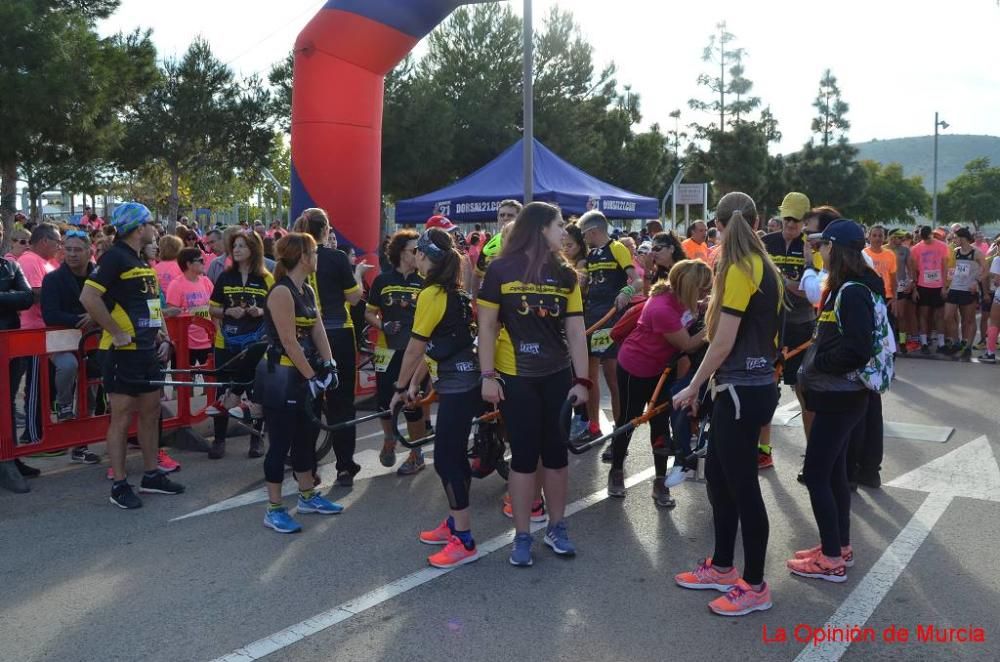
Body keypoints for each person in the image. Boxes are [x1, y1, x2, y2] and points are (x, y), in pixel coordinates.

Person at [672, 192, 781, 616]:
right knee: (718, 478)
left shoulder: (740, 265)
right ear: (757, 222)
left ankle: (754, 584)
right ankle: (721, 566)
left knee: (742, 487)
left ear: (715, 225)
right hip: (745, 387)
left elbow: (723, 341)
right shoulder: (759, 262)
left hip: (741, 389)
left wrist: (693, 385)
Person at [477, 202, 590, 567]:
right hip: (516, 377)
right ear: (541, 227)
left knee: (556, 458)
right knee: (524, 459)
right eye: (559, 225)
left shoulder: (565, 273)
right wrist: (488, 377)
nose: (565, 232)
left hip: (556, 375)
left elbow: (575, 331)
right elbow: (487, 328)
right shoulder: (499, 269)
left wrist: (583, 380)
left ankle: (558, 527)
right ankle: (522, 536)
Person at [791, 219, 880, 582]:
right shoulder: (845, 286)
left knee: (816, 475)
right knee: (835, 474)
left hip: (840, 395)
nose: (817, 251)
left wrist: (820, 363)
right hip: (839, 395)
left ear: (835, 249)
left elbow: (858, 347)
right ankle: (838, 545)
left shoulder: (853, 291)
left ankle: (830, 559)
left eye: (822, 246)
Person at [80, 203, 185, 509]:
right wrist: (115, 330)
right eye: (150, 223)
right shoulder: (114, 257)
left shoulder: (140, 259)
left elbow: (151, 303)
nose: (155, 228)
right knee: (122, 417)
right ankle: (120, 484)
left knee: (151, 413)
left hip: (146, 350)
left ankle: (152, 475)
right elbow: (88, 297)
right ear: (139, 228)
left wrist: (163, 333)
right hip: (121, 351)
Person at [389, 228, 481, 568]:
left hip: (458, 384)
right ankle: (456, 524)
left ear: (424, 257)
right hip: (460, 379)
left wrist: (399, 389)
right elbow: (433, 347)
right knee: (453, 456)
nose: (413, 255)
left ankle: (465, 539)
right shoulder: (452, 292)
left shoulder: (431, 294)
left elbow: (415, 346)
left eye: (417, 251)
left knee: (446, 459)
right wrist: (414, 382)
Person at [254, 232, 343, 533]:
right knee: (280, 444)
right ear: (304, 257)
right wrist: (312, 377)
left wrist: (328, 364)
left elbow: (318, 331)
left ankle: (307, 496)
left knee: (307, 438)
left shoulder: (307, 289)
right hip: (282, 377)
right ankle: (274, 508)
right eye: (315, 252)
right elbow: (290, 342)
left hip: (306, 374)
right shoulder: (281, 292)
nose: (318, 256)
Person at [608, 259, 709, 504]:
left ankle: (660, 481)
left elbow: (690, 313)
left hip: (662, 369)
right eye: (703, 288)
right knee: (629, 420)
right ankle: (616, 470)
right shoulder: (662, 307)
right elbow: (686, 344)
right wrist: (719, 326)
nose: (707, 292)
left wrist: (705, 306)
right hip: (636, 367)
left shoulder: (681, 298)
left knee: (661, 424)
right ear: (688, 285)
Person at [298, 208, 369, 485]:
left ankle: (308, 467)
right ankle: (344, 466)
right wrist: (359, 274)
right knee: (341, 402)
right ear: (326, 229)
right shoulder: (337, 257)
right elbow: (354, 298)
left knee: (309, 402)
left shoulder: (296, 256)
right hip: (338, 333)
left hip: (305, 335)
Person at [758, 191, 814, 470]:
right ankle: (763, 450)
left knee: (804, 390)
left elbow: (815, 290)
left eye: (797, 219)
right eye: (787, 217)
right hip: (769, 326)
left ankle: (813, 453)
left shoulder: (812, 247)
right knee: (766, 388)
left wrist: (793, 280)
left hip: (801, 326)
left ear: (805, 221)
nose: (790, 223)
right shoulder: (765, 242)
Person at [364, 230, 427, 471]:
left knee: (413, 401)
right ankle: (389, 439)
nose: (419, 254)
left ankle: (416, 452)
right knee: (383, 403)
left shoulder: (424, 281)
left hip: (416, 351)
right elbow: (369, 313)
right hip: (385, 350)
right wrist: (383, 324)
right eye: (415, 250)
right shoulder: (382, 280)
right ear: (401, 252)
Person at [578, 210, 641, 449]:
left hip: (611, 318)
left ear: (594, 231)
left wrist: (627, 292)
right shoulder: (591, 254)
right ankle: (593, 427)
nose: (585, 239)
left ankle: (619, 431)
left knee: (612, 377)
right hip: (592, 317)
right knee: (589, 378)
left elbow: (636, 280)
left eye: (585, 235)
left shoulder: (616, 248)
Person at [207, 230, 272, 459]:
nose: (236, 250)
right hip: (226, 342)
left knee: (256, 391)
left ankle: (257, 438)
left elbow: (275, 308)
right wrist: (227, 311)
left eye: (242, 246)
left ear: (254, 249)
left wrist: (261, 310)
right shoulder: (225, 277)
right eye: (234, 246)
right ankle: (219, 439)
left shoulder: (266, 278)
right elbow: (212, 308)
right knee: (224, 388)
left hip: (256, 343)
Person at [40, 230, 100, 463]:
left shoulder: (98, 276)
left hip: (93, 341)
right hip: (61, 339)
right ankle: (63, 404)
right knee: (67, 365)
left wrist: (95, 317)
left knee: (91, 394)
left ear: (89, 252)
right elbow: (50, 314)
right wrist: (83, 318)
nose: (72, 254)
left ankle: (81, 447)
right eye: (68, 249)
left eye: (78, 250)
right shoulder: (53, 279)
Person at [0, 221, 36, 486]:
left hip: (12, 344)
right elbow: (19, 296)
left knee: (9, 402)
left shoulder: (10, 265)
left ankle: (9, 457)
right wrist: (8, 296)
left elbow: (26, 297)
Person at [18, 223, 60, 445]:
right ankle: (33, 435)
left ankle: (42, 432)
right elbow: (34, 294)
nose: (59, 246)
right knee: (36, 385)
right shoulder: (29, 261)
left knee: (45, 384)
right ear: (45, 241)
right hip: (33, 332)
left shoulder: (44, 262)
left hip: (45, 332)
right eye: (57, 242)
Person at [164, 248, 215, 370]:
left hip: (207, 340)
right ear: (188, 264)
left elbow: (214, 308)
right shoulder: (176, 285)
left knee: (210, 382)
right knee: (183, 383)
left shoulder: (206, 281)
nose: (205, 263)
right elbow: (171, 314)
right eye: (201, 260)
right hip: (185, 343)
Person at [909, 226, 954, 354]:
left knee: (939, 315)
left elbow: (945, 267)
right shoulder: (916, 249)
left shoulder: (942, 246)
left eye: (928, 238)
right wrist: (915, 289)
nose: (926, 241)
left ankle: (941, 343)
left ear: (931, 235)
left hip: (938, 286)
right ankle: (924, 343)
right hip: (923, 286)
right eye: (923, 239)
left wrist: (944, 287)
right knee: (924, 315)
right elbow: (914, 270)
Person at [942, 227, 985, 360]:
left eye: (955, 238)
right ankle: (956, 342)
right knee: (948, 316)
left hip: (968, 290)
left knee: (968, 320)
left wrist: (976, 282)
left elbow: (985, 269)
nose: (954, 240)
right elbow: (950, 270)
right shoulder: (955, 252)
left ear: (963, 238)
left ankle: (967, 347)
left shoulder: (976, 252)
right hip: (954, 288)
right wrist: (946, 286)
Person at [889, 229, 917, 352]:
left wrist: (911, 283)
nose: (901, 240)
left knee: (900, 315)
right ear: (891, 237)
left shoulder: (905, 250)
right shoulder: (884, 249)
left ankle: (902, 342)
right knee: (887, 315)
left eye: (902, 238)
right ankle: (888, 341)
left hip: (901, 285)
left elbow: (910, 268)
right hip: (887, 287)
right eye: (898, 237)